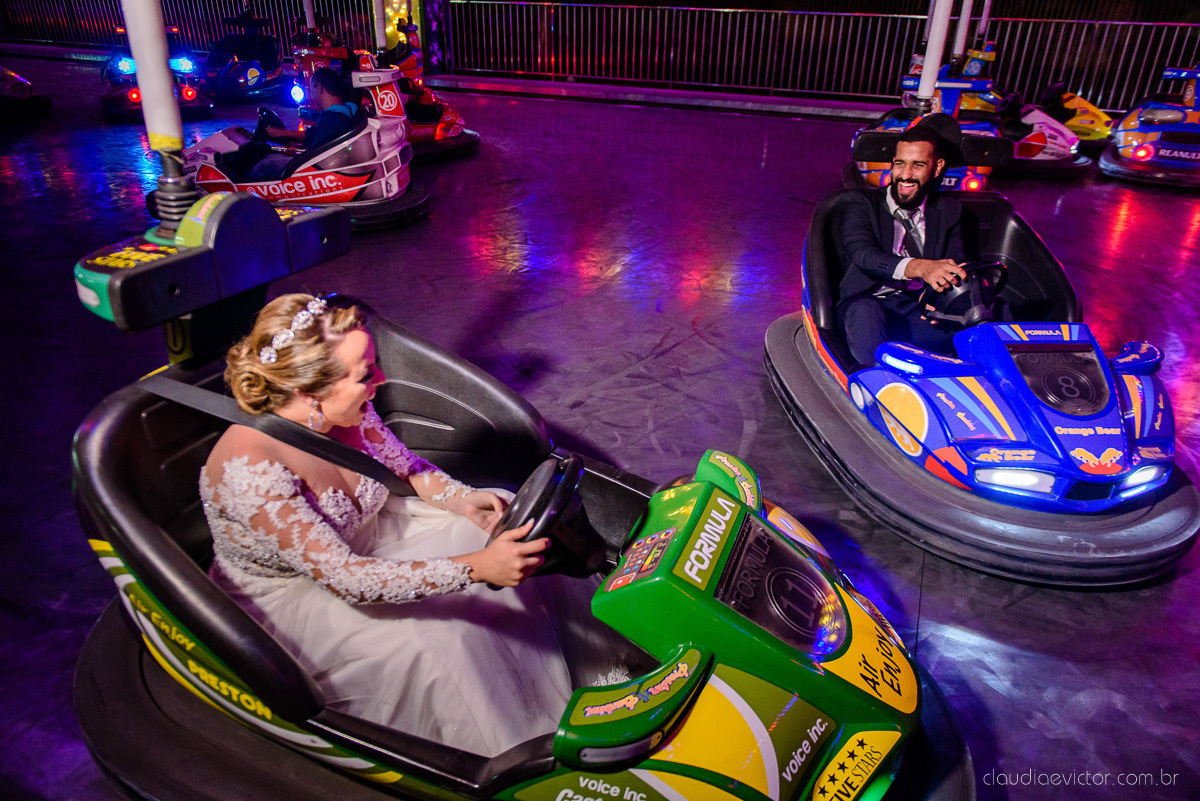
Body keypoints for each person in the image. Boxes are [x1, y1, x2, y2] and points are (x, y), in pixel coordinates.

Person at [200, 294, 634, 756]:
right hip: (300, 591)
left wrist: (463, 500)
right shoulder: (251, 474)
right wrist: (477, 568)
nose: (381, 381)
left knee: (503, 522)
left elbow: (407, 469)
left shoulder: (347, 408)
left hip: (368, 534)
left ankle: (603, 672)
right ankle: (520, 752)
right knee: (438, 639)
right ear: (310, 391)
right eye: (366, 373)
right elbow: (349, 579)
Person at [835, 120, 970, 366]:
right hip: (868, 304)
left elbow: (957, 263)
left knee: (987, 313)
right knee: (865, 311)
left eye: (917, 165)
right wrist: (921, 268)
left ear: (937, 168)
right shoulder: (859, 203)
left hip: (915, 308)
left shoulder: (947, 209)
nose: (905, 175)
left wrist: (940, 299)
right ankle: (879, 383)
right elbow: (865, 256)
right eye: (900, 164)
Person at [247, 67, 359, 181]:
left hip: (319, 171)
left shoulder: (331, 119)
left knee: (266, 163)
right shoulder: (345, 110)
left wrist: (296, 152)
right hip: (327, 163)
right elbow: (311, 135)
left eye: (312, 89)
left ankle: (246, 194)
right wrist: (284, 134)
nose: (311, 94)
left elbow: (317, 155)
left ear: (320, 88)